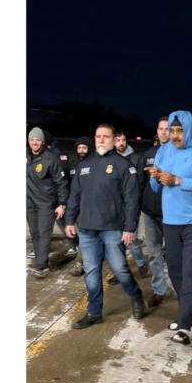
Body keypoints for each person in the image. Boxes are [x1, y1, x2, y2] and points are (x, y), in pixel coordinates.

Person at [64, 124, 146, 328]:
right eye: (98, 136)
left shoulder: (123, 165)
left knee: (120, 269)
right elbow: (74, 195)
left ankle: (135, 294)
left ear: (113, 140)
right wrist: (69, 220)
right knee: (91, 272)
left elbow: (132, 200)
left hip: (113, 229)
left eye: (106, 136)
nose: (101, 140)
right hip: (87, 229)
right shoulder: (84, 165)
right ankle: (94, 312)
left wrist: (129, 228)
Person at [147, 110, 192, 345]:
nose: (175, 135)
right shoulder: (163, 151)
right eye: (172, 130)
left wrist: (176, 180)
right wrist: (156, 177)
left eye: (180, 130)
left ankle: (185, 325)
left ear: (189, 130)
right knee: (175, 270)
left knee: (190, 270)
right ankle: (188, 311)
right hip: (171, 221)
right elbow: (156, 188)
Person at [26, 128, 69, 278]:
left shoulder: (50, 158)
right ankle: (40, 262)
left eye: (37, 140)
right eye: (32, 140)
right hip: (29, 203)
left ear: (43, 142)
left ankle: (41, 266)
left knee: (44, 234)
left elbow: (62, 183)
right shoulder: (25, 156)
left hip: (45, 203)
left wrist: (61, 204)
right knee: (35, 233)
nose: (34, 143)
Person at [109, 128, 148, 282]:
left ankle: (141, 263)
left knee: (131, 240)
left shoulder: (136, 158)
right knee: (116, 241)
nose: (121, 143)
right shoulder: (108, 159)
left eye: (123, 140)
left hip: (131, 205)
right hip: (114, 206)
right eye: (118, 140)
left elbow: (140, 183)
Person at [140, 116, 170, 307]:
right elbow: (140, 183)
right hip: (150, 212)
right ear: (157, 132)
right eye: (161, 129)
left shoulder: (179, 155)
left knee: (175, 254)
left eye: (167, 129)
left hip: (171, 213)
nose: (164, 132)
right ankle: (159, 289)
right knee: (154, 252)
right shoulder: (148, 155)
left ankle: (180, 286)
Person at [64, 136, 92, 273]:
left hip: (91, 206)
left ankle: (80, 262)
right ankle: (83, 260)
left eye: (84, 148)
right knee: (83, 235)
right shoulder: (73, 164)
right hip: (77, 206)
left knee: (86, 235)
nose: (81, 150)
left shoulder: (94, 163)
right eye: (79, 148)